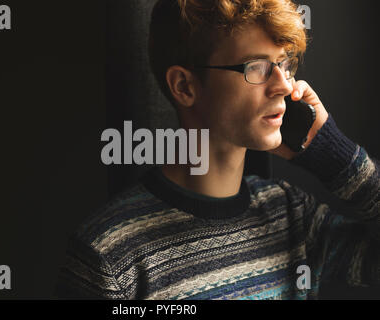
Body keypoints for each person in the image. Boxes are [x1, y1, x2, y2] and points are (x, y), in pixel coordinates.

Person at [55, 0, 379, 299]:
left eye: (285, 64)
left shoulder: (292, 215)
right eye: (257, 67)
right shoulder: (109, 256)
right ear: (184, 86)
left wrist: (337, 157)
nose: (284, 85)